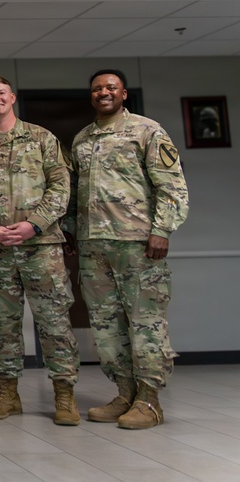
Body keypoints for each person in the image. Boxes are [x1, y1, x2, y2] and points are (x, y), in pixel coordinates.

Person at [68, 69, 188, 430]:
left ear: (123, 94)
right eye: (96, 89)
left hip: (137, 244)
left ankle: (149, 401)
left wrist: (162, 229)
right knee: (105, 326)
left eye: (110, 87)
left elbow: (172, 185)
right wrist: (71, 231)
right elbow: (75, 193)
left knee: (145, 322)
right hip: (93, 247)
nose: (103, 93)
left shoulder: (147, 130)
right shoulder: (82, 139)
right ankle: (124, 393)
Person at [0, 76, 81, 426]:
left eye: (0, 93)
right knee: (3, 325)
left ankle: (64, 393)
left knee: (54, 321)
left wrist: (35, 224)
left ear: (11, 97)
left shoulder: (42, 138)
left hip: (40, 247)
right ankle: (8, 394)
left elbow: (61, 186)